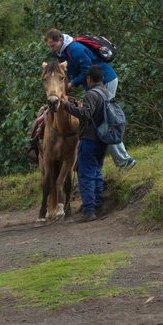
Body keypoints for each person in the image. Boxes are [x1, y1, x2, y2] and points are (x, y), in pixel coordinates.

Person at [44, 28, 135, 170]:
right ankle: (106, 160)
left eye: (53, 45)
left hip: (105, 81)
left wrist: (72, 83)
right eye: (49, 46)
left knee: (105, 121)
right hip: (94, 86)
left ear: (60, 40)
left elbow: (88, 69)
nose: (51, 49)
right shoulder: (61, 53)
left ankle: (124, 161)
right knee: (99, 121)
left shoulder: (74, 49)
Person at [60, 65, 107, 222]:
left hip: (89, 139)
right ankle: (98, 205)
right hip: (103, 139)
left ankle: (89, 211)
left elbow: (85, 114)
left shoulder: (91, 94)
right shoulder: (106, 93)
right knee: (97, 173)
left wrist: (67, 105)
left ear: (88, 79)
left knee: (85, 174)